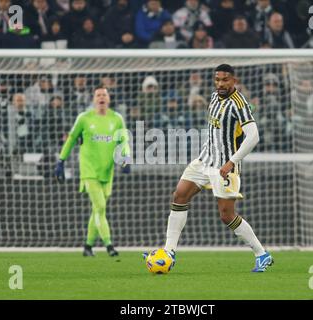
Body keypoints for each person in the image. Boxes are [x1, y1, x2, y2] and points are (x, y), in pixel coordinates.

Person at [155, 64, 273, 272]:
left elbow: (253, 137)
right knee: (179, 196)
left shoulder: (239, 104)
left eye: (225, 79)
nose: (220, 83)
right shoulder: (213, 97)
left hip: (225, 167)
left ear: (234, 80)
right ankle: (169, 252)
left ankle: (261, 254)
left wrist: (231, 162)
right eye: (217, 79)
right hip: (203, 160)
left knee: (227, 215)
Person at [54, 86, 131, 257]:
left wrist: (126, 158)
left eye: (104, 94)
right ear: (94, 99)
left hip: (107, 171)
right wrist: (61, 160)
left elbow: (124, 140)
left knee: (97, 210)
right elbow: (72, 138)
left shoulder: (116, 119)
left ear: (108, 99)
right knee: (101, 206)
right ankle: (109, 245)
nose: (101, 97)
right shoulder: (84, 118)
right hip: (88, 171)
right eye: (98, 95)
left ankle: (88, 246)